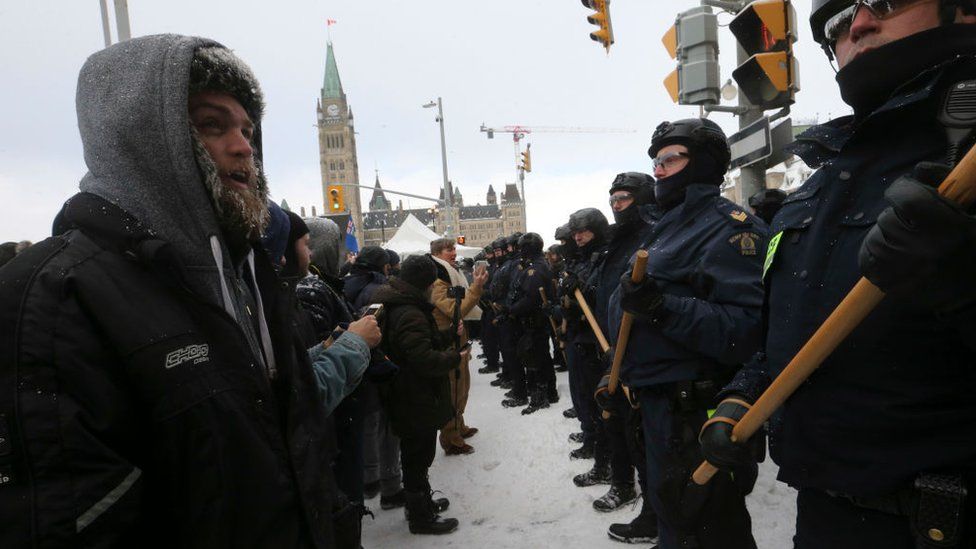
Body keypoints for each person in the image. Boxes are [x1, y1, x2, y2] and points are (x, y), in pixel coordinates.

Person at [0, 35, 356, 547]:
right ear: (143, 135)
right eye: (212, 125)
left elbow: (298, 458)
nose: (243, 147)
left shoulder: (254, 277)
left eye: (247, 129)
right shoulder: (50, 300)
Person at [702, 2, 976, 547]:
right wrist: (742, 396)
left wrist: (963, 286)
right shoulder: (823, 179)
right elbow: (800, 325)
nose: (857, 25)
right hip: (827, 512)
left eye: (888, 1)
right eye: (834, 24)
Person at [610, 118, 767, 549]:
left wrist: (662, 307)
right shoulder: (670, 225)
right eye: (656, 161)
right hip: (661, 408)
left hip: (699, 414)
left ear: (702, 163)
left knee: (708, 524)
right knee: (674, 518)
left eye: (669, 159)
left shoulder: (730, 228)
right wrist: (620, 373)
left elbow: (749, 332)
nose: (657, 170)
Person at [371, 255, 466, 535]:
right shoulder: (409, 311)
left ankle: (421, 503)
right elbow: (422, 359)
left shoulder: (405, 304)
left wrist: (449, 335)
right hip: (414, 397)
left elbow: (418, 342)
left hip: (410, 395)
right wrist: (454, 357)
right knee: (417, 457)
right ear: (424, 283)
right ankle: (420, 516)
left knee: (418, 455)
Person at [589, 174, 659, 525]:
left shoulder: (654, 235)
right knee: (620, 426)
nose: (617, 206)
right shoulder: (619, 241)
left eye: (624, 198)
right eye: (613, 199)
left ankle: (652, 512)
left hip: (642, 352)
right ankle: (624, 485)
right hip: (614, 348)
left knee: (643, 438)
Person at [562, 208, 612, 477]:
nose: (578, 237)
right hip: (580, 337)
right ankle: (595, 447)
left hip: (599, 341)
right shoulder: (581, 260)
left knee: (602, 406)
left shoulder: (606, 258)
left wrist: (585, 288)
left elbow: (606, 297)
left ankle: (607, 464)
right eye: (575, 232)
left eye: (583, 231)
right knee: (584, 399)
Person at [429, 237, 487, 455]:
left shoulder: (449, 274)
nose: (453, 252)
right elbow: (456, 310)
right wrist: (477, 288)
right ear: (437, 254)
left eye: (454, 248)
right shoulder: (437, 280)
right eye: (448, 249)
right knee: (453, 391)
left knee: (462, 388)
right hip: (448, 344)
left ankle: (458, 425)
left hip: (457, 341)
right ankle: (450, 438)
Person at [503, 232, 557, 415]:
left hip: (535, 319)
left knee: (536, 357)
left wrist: (511, 310)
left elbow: (531, 298)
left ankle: (540, 397)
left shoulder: (536, 268)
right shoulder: (536, 265)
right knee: (540, 356)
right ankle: (550, 392)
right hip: (534, 320)